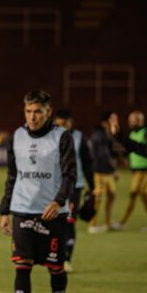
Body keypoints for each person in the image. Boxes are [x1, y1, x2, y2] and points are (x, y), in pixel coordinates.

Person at [0, 90, 76, 293]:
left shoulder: (61, 137)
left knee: (56, 268)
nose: (32, 117)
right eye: (29, 112)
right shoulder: (17, 137)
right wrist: (4, 210)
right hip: (23, 210)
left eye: (38, 112)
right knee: (22, 267)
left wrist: (59, 201)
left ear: (48, 112)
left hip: (52, 214)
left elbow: (70, 175)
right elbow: (12, 175)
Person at [53, 109, 95, 272]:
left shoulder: (79, 138)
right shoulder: (50, 137)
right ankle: (52, 256)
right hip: (53, 186)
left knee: (69, 222)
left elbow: (87, 162)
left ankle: (66, 259)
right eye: (59, 123)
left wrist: (92, 186)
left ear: (71, 123)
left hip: (74, 187)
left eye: (65, 123)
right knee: (53, 223)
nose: (62, 126)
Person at [117, 111, 147, 229]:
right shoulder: (131, 134)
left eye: (133, 119)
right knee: (136, 194)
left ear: (140, 120)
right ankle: (122, 222)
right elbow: (129, 150)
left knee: (144, 194)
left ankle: (122, 222)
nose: (130, 122)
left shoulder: (146, 132)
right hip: (136, 171)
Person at [88, 111, 118, 233]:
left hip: (106, 172)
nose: (115, 121)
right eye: (113, 119)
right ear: (105, 121)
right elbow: (101, 155)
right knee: (98, 199)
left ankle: (107, 223)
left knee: (112, 195)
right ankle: (92, 225)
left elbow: (108, 153)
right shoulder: (98, 134)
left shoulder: (106, 133)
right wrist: (113, 169)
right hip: (99, 171)